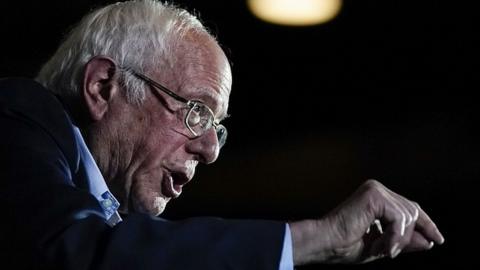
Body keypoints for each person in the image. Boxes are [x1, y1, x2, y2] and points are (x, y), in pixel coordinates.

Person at [0, 0, 444, 269]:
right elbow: (78, 255)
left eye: (218, 128)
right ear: (101, 87)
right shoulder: (13, 117)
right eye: (196, 111)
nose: (211, 150)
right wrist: (316, 238)